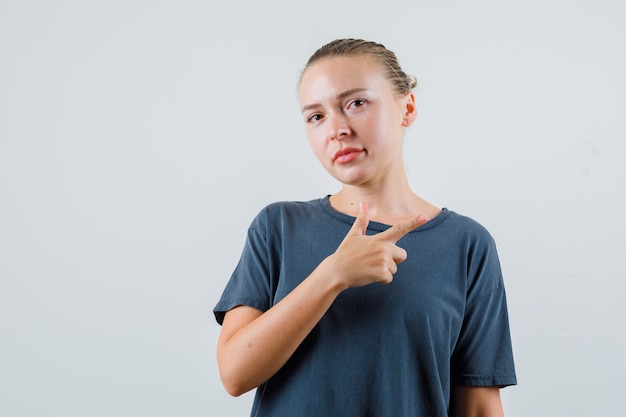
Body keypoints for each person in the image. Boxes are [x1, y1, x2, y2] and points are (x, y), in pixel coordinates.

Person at [213, 38, 517, 417]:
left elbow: (479, 406)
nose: (336, 129)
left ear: (407, 107)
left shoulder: (467, 244)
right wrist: (332, 275)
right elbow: (234, 374)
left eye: (356, 103)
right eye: (316, 116)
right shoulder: (277, 228)